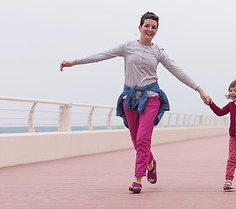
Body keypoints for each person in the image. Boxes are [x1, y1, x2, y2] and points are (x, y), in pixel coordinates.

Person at [60, 11, 211, 193]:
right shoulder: (127, 47)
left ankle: (137, 180)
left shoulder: (158, 52)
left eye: (154, 27)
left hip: (151, 98)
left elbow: (177, 71)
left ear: (156, 31)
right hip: (130, 98)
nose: (150, 29)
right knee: (135, 140)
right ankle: (150, 162)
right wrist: (74, 62)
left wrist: (199, 89)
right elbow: (102, 55)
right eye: (147, 26)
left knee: (143, 139)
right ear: (140, 28)